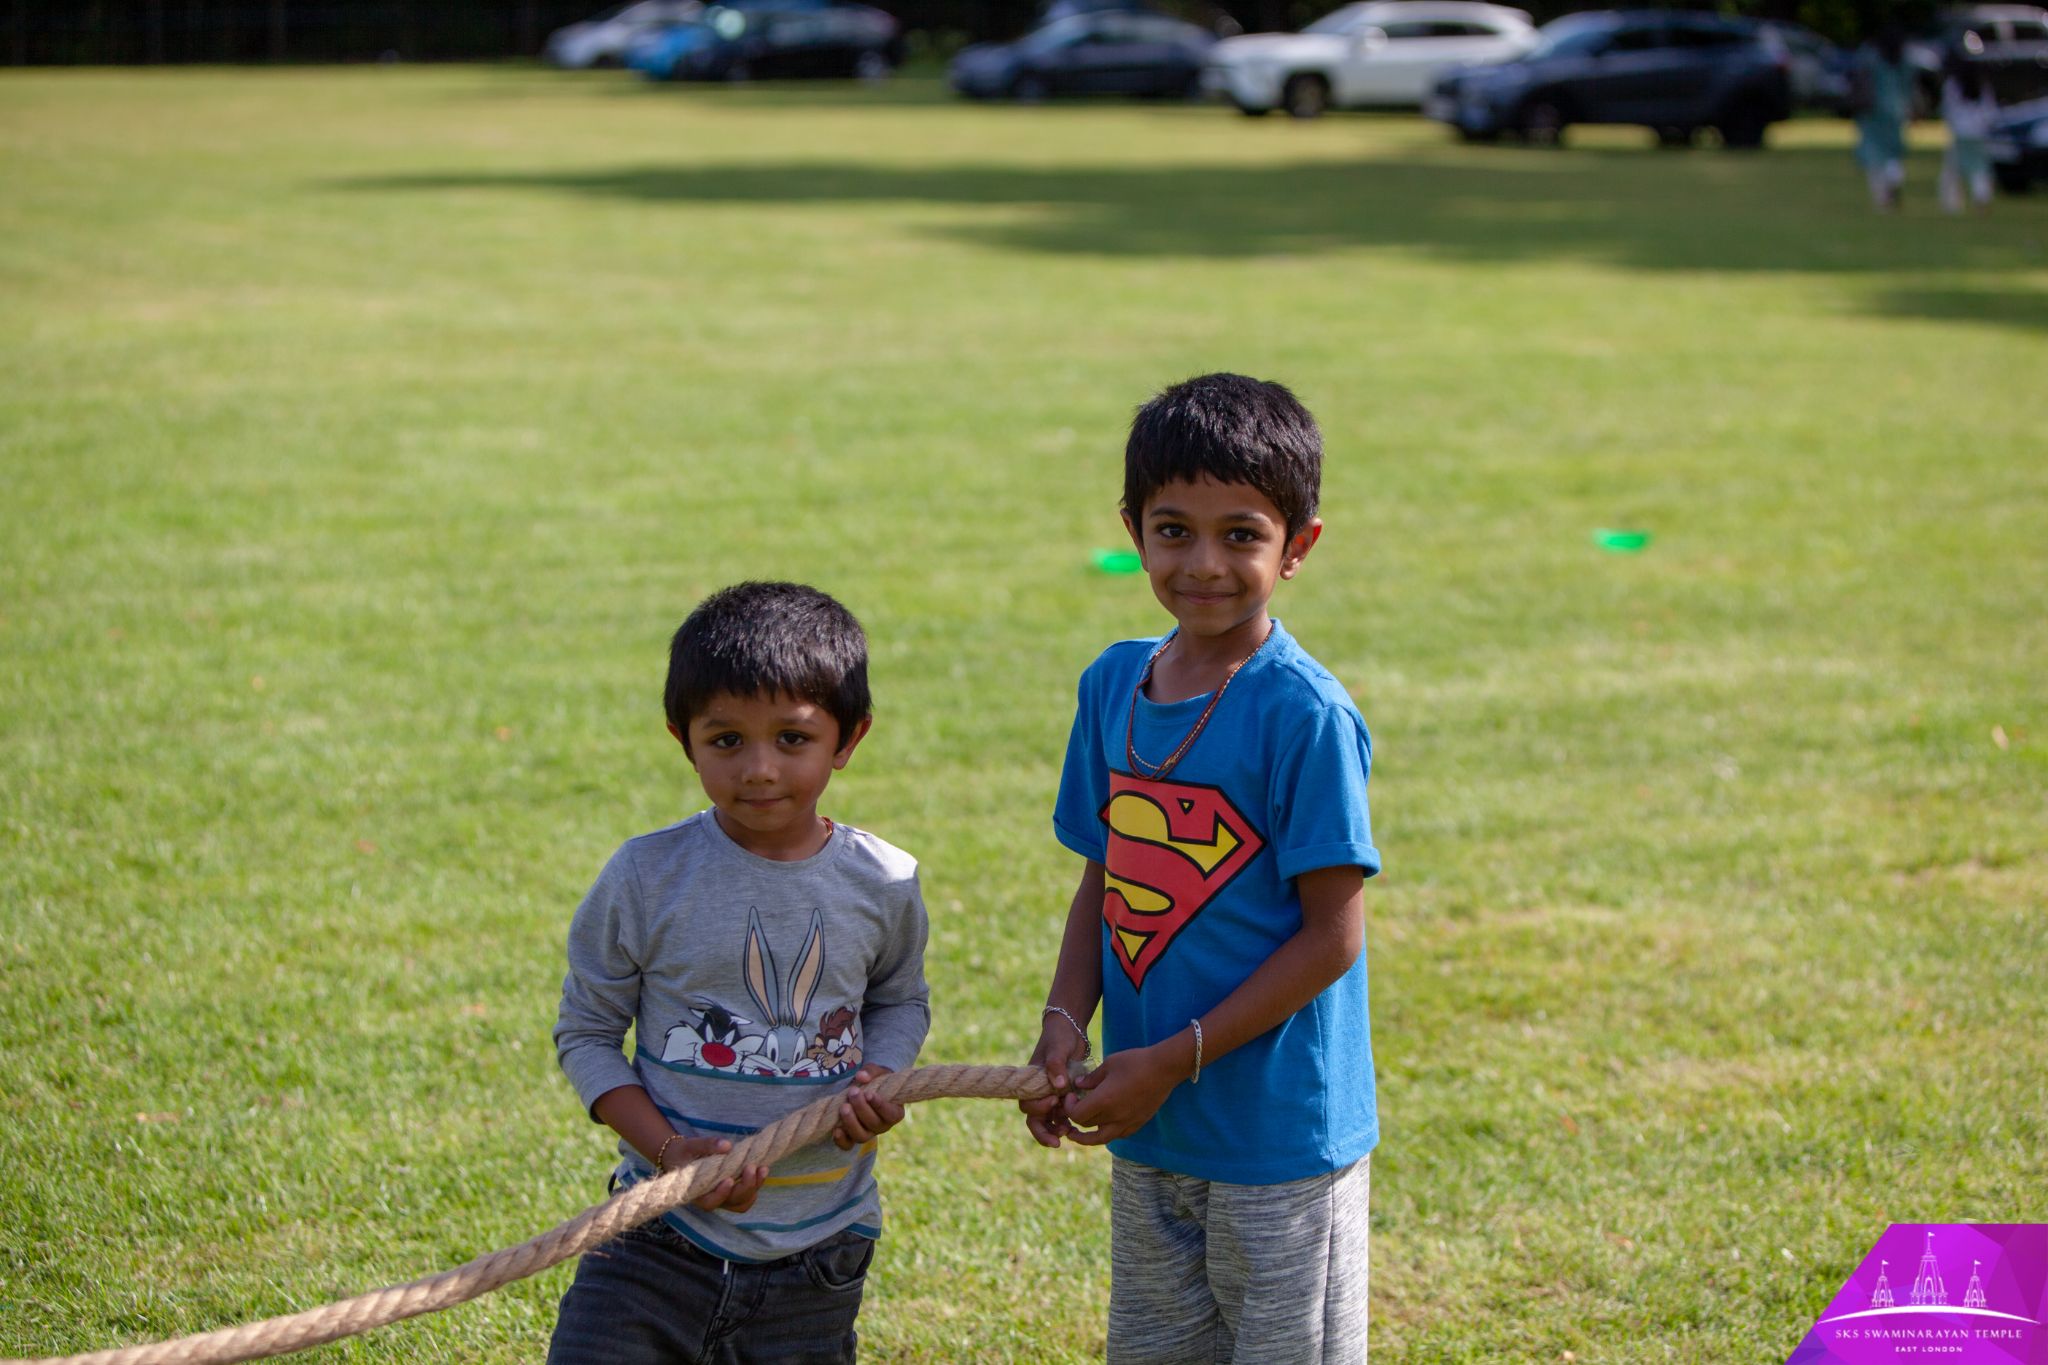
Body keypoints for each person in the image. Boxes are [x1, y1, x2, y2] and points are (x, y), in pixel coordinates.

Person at [1022, 374, 1382, 1364]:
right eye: (1173, 530)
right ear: (1132, 529)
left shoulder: (1302, 715)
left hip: (1276, 1143)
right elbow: (1104, 877)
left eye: (1241, 535)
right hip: (1152, 1131)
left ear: (1296, 546)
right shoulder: (1110, 687)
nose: (1204, 564)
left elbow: (1330, 937)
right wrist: (1064, 1022)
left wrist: (1166, 1060)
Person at [549, 581, 931, 1364]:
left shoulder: (883, 881)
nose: (758, 769)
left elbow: (900, 999)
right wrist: (664, 1150)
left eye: (792, 739)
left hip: (821, 1250)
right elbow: (587, 1034)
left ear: (848, 738)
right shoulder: (645, 876)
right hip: (656, 1236)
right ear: (681, 737)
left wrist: (880, 1075)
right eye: (726, 740)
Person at [1853, 27, 1914, 211]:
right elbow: (1908, 88)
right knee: (1893, 152)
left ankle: (1882, 198)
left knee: (1874, 155)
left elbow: (1859, 78)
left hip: (1874, 111)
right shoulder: (1904, 61)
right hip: (1897, 110)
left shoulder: (1872, 58)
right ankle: (1894, 179)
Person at [1939, 59, 2000, 214]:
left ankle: (1952, 205)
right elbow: (1990, 111)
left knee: (1954, 170)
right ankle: (1981, 199)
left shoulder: (1952, 85)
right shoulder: (1982, 86)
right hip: (1978, 133)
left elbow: (1948, 109)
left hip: (1961, 133)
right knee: (1978, 168)